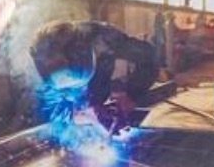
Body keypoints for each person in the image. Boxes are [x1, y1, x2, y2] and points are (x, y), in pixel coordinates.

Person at [29, 20, 160, 113]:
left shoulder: (106, 37)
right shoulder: (42, 64)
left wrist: (131, 94)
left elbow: (149, 59)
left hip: (100, 67)